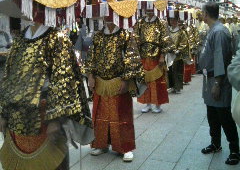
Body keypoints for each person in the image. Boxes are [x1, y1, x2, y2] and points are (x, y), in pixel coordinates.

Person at [0, 18, 92, 170]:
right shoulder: (19, 41)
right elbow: (8, 78)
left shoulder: (58, 39)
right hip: (16, 119)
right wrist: (3, 112)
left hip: (45, 117)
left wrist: (56, 119)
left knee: (52, 164)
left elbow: (65, 81)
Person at [83, 19, 145, 162]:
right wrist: (90, 76)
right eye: (105, 15)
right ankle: (101, 144)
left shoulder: (125, 35)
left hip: (118, 80)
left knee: (121, 115)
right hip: (100, 81)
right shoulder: (98, 36)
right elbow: (91, 57)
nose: (108, 19)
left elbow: (132, 58)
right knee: (100, 115)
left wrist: (126, 79)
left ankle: (126, 147)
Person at [199, 2, 239, 166]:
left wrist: (217, 83)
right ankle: (216, 143)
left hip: (218, 80)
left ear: (206, 13)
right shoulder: (212, 29)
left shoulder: (220, 31)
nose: (201, 15)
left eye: (202, 12)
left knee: (224, 116)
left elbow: (221, 59)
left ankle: (235, 151)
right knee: (212, 114)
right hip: (210, 78)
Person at [134, 8, 175, 113]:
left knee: (157, 82)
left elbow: (166, 39)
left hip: (156, 56)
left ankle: (157, 104)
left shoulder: (161, 22)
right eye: (147, 8)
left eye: (151, 8)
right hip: (143, 55)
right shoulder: (140, 22)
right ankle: (147, 103)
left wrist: (162, 55)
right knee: (144, 80)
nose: (149, 11)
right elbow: (136, 38)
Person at [168, 14, 189, 94]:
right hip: (169, 54)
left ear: (177, 21)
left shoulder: (181, 32)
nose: (172, 22)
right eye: (171, 20)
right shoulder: (168, 31)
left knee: (177, 71)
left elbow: (184, 43)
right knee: (170, 71)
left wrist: (178, 50)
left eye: (174, 20)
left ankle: (178, 87)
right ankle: (172, 86)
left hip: (177, 55)